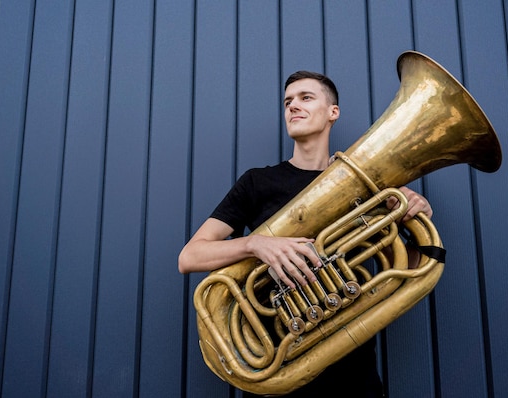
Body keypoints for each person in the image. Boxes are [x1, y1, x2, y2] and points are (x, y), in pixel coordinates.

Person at [178, 71, 433, 397]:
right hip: (278, 365)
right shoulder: (258, 183)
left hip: (354, 372)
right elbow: (189, 257)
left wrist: (413, 219)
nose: (293, 106)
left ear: (333, 112)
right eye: (288, 101)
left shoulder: (370, 187)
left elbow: (403, 271)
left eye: (305, 98)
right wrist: (257, 244)